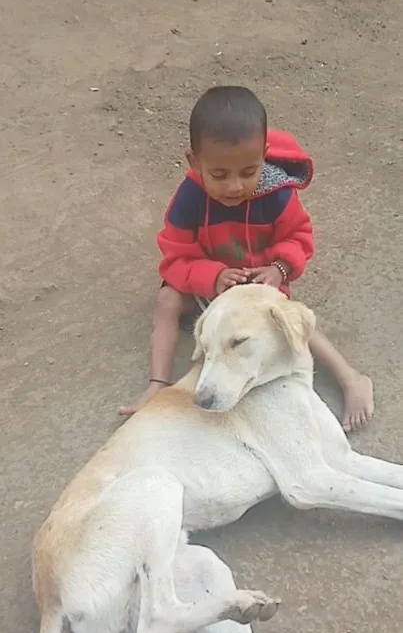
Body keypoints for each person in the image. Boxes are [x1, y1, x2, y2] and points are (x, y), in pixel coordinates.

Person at [119, 86, 373, 432]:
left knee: (286, 316)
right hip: (204, 281)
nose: (236, 186)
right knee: (166, 299)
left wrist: (279, 268)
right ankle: (158, 384)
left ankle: (350, 377)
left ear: (264, 156)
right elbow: (175, 256)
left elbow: (299, 237)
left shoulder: (278, 194)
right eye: (219, 175)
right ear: (195, 163)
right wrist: (212, 277)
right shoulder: (189, 198)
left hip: (257, 283)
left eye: (249, 171)